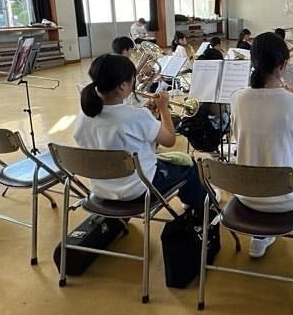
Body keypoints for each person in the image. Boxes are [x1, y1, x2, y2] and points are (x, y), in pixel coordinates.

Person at [228, 32, 293, 258]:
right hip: (287, 199)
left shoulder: (237, 99)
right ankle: (278, 230)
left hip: (246, 196)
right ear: (282, 66)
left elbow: (238, 132)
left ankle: (260, 236)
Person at [73, 54, 207, 212]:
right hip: (138, 189)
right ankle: (199, 207)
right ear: (122, 86)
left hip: (102, 188)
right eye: (133, 79)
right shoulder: (136, 116)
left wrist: (148, 117)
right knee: (189, 167)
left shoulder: (84, 113)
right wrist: (163, 109)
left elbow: (120, 131)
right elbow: (170, 140)